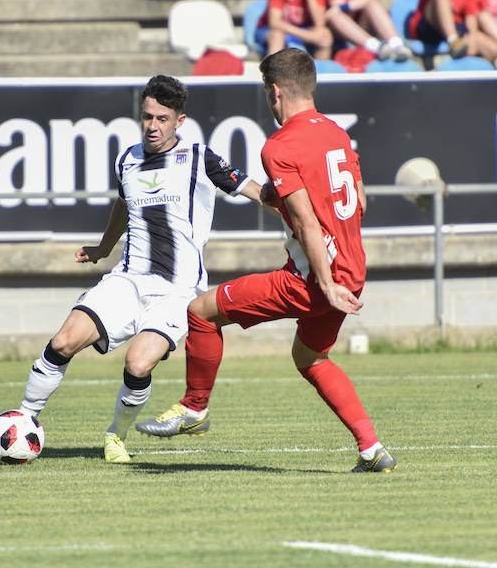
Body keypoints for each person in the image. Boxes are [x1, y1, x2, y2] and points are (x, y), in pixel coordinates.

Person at [0, 75, 266, 463]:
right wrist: (102, 248)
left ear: (179, 121)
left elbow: (256, 191)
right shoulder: (127, 159)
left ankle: (116, 435)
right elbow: (124, 207)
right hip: (128, 279)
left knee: (138, 362)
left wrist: (303, 216)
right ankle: (21, 419)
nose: (152, 126)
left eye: (162, 118)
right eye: (147, 117)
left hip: (178, 291)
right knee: (63, 342)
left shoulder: (199, 157)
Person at [136, 48, 396, 474]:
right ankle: (372, 449)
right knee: (310, 359)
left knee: (200, 312)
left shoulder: (280, 145)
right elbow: (359, 203)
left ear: (275, 92)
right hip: (352, 269)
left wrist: (325, 283)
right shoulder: (335, 133)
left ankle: (194, 408)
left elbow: (310, 224)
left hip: (315, 278)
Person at [407, 0, 497, 62]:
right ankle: (452, 40)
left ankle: (449, 60)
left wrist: (472, 36)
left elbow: (470, 13)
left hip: (456, 26)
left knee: (494, 48)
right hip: (429, 25)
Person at [325, 0, 414, 61]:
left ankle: (396, 44)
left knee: (372, 3)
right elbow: (339, 9)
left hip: (364, 24)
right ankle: (377, 48)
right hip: (344, 28)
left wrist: (348, 5)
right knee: (333, 16)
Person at [259, 0, 334, 60]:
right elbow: (274, 22)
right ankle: (272, 71)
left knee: (325, 36)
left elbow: (320, 23)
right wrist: (307, 36)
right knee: (277, 35)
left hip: (302, 29)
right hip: (271, 30)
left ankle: (319, 71)